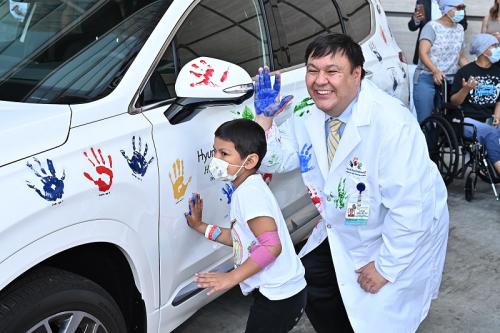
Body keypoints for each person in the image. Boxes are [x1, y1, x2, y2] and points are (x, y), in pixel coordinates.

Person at [254, 33, 449, 333]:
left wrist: (385, 266)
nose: (320, 81)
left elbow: (412, 208)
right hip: (348, 226)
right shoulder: (309, 112)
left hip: (397, 232)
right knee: (313, 285)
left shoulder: (391, 124)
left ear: (356, 74)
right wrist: (264, 120)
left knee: (381, 315)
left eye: (332, 71)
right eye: (312, 70)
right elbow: (281, 158)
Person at [185, 118, 307, 333]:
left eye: (224, 154)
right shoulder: (248, 187)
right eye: (215, 152)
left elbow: (271, 247)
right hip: (280, 294)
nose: (216, 159)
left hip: (280, 297)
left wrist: (230, 278)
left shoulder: (250, 194)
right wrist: (201, 226)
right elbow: (240, 239)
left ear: (249, 161)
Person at [450, 33, 500, 174]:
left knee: (494, 130)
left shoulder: (498, 71)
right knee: (492, 133)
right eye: (494, 46)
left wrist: (497, 116)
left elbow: (499, 100)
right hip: (468, 120)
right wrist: (466, 89)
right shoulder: (465, 72)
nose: (498, 48)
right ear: (484, 51)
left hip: (490, 119)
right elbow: (454, 101)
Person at [413, 0, 469, 124]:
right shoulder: (431, 27)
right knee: (426, 120)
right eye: (458, 8)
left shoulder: (460, 29)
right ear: (446, 9)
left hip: (449, 81)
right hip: (427, 78)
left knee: (446, 121)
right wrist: (435, 70)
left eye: (463, 8)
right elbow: (423, 53)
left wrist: (473, 71)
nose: (461, 11)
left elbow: (461, 57)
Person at [408, 0, 468, 65]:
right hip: (426, 50)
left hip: (449, 52)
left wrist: (454, 20)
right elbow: (412, 27)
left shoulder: (454, 2)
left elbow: (464, 25)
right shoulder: (422, 1)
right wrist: (416, 20)